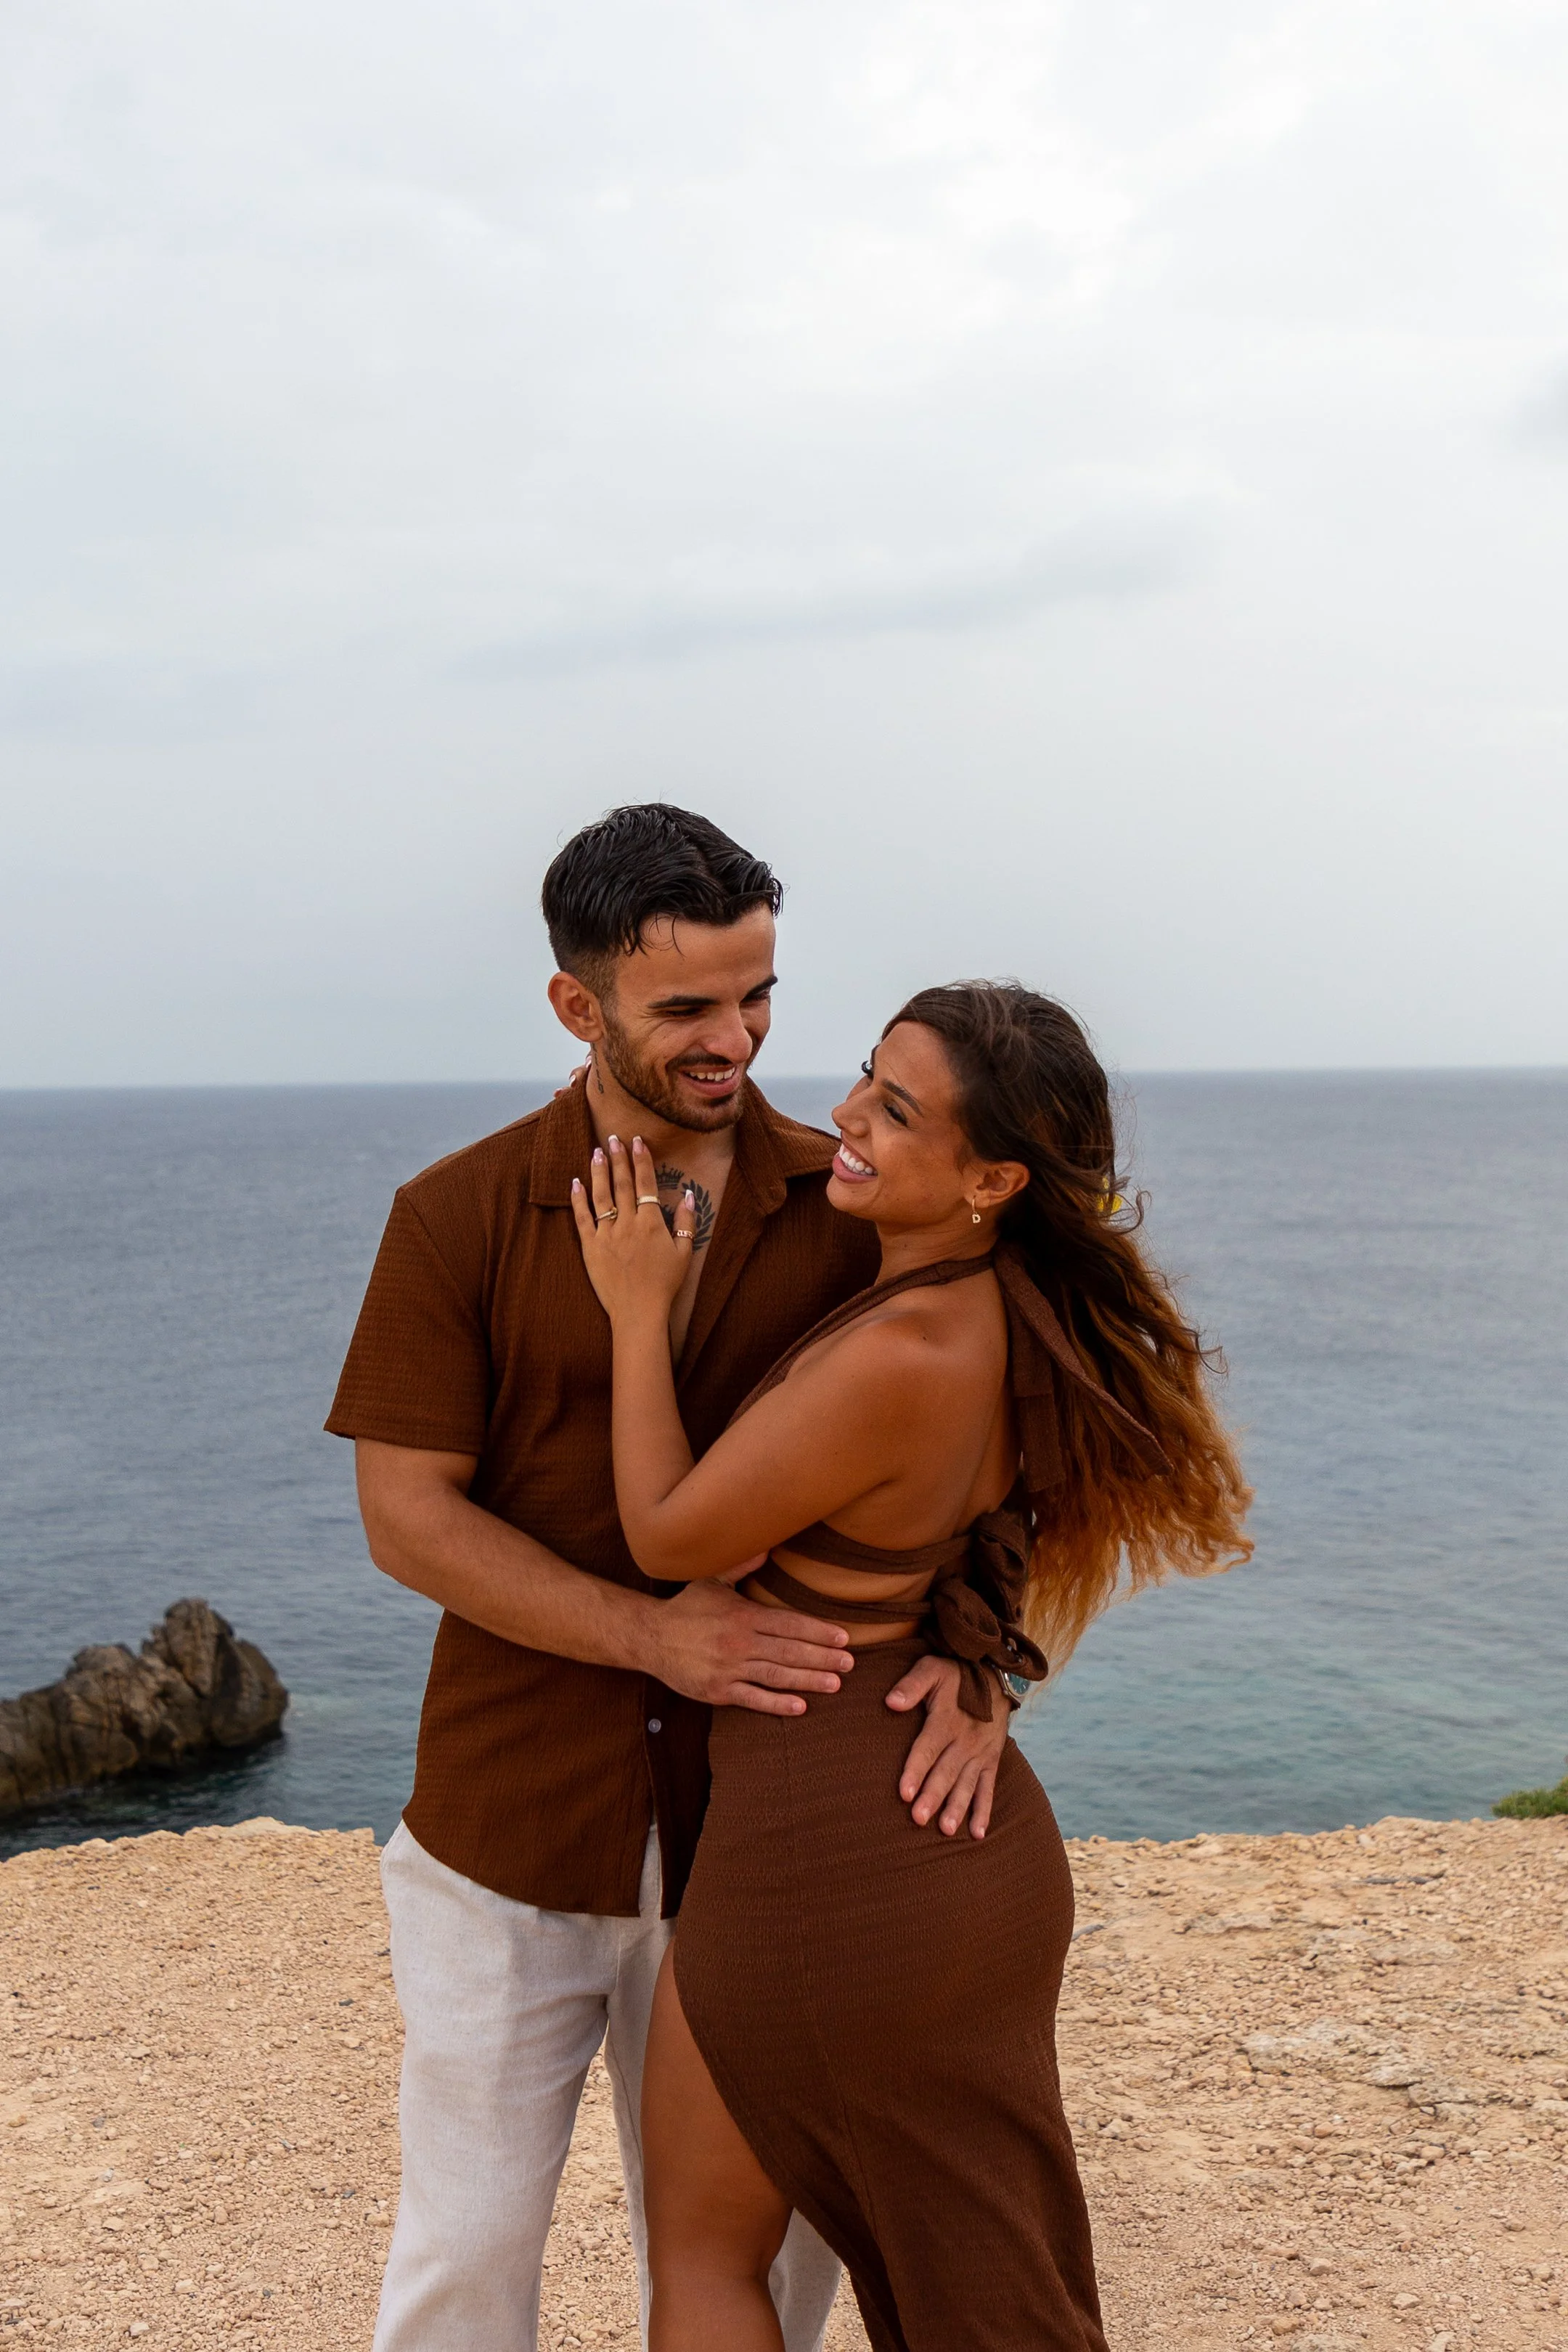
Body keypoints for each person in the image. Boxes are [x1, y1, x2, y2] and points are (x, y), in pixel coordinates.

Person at [324, 807, 1011, 2352]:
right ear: (577, 1006)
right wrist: (658, 1640)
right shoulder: (455, 1215)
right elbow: (405, 1519)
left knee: (766, 2276)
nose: (740, 1039)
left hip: (765, 1843)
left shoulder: (850, 1213)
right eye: (688, 1008)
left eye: (758, 994)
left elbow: (984, 1443)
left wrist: (992, 1663)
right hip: (508, 1836)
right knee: (465, 2261)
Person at [571, 979, 1254, 2352]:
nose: (847, 1117)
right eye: (865, 1081)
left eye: (897, 1108)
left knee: (711, 2262)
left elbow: (664, 1533)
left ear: (994, 1176)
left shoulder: (904, 1350)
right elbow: (1017, 1522)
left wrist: (635, 1307)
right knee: (986, 2286)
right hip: (946, 1837)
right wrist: (992, 1666)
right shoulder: (1005, 1313)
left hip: (835, 1862)